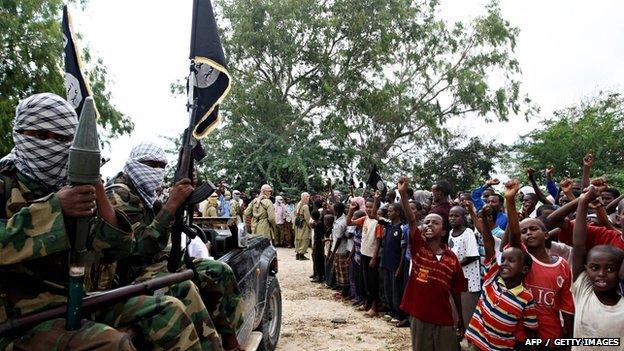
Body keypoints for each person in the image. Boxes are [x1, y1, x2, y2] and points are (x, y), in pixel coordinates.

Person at [0, 93, 200, 350]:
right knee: (113, 344)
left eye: (61, 139)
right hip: (20, 316)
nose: (50, 144)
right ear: (19, 133)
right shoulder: (6, 184)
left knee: (168, 310)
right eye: (40, 135)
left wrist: (95, 185)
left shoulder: (73, 187)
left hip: (77, 301)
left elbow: (116, 249)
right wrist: (54, 208)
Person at [107, 142, 244, 351]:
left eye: (161, 166)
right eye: (151, 164)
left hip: (155, 263)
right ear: (134, 164)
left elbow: (162, 231)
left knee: (219, 271)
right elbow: (136, 247)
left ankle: (231, 342)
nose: (157, 171)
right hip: (130, 272)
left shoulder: (146, 193)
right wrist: (171, 205)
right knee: (185, 286)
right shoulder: (119, 194)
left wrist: (181, 199)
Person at [398, 177, 466, 351]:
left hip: (444, 317)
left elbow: (456, 291)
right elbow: (412, 221)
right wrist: (403, 194)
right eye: (426, 222)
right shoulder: (419, 249)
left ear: (443, 231)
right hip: (420, 315)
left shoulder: (451, 258)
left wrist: (461, 318)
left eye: (435, 222)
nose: (429, 225)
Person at [503, 179, 575, 342]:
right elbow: (514, 235)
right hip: (521, 334)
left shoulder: (562, 265)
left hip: (551, 333)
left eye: (534, 229)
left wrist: (569, 339)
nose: (528, 233)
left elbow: (566, 306)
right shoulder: (521, 257)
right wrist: (510, 200)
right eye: (524, 231)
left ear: (546, 234)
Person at [465, 204, 538, 351]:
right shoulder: (492, 277)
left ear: (524, 269)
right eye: (503, 259)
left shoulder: (526, 297)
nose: (504, 264)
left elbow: (531, 331)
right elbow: (488, 245)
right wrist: (484, 220)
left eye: (511, 261)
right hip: (477, 343)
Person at [571, 185, 624, 349]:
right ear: (586, 268)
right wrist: (583, 201)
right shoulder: (583, 289)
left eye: (610, 269)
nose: (601, 274)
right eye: (594, 268)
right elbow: (578, 244)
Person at [347, 193, 382, 317]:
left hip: (373, 256)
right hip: (363, 253)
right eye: (367, 206)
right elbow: (349, 223)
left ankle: (374, 307)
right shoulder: (365, 219)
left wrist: (374, 257)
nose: (368, 209)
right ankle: (367, 302)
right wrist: (351, 210)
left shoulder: (378, 223)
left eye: (371, 207)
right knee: (365, 281)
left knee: (373, 282)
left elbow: (378, 241)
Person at [447, 206, 481, 331]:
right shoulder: (450, 233)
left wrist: (454, 267)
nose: (452, 218)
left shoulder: (468, 233)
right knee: (455, 312)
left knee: (467, 313)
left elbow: (472, 256)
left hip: (468, 280)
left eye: (456, 216)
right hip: (455, 279)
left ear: (463, 218)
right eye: (451, 215)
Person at [379, 202, 409, 325]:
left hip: (396, 264)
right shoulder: (388, 225)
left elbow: (403, 249)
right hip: (386, 262)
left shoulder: (402, 227)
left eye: (391, 211)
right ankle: (391, 311)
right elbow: (375, 217)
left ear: (397, 212)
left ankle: (398, 313)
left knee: (396, 290)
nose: (389, 213)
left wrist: (400, 267)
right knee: (387, 288)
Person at [329, 202, 350, 298]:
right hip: (337, 249)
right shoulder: (337, 219)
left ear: (336, 210)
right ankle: (341, 290)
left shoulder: (342, 222)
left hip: (341, 249)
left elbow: (339, 238)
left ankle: (345, 292)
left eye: (333, 209)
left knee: (343, 271)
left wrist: (332, 253)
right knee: (338, 270)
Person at [293, 192, 312, 260]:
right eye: (307, 196)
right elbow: (307, 218)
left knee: (298, 238)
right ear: (303, 197)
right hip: (303, 224)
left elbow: (295, 213)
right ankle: (301, 254)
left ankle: (298, 253)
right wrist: (310, 226)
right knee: (304, 239)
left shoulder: (298, 204)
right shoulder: (305, 206)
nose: (308, 198)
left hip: (298, 223)